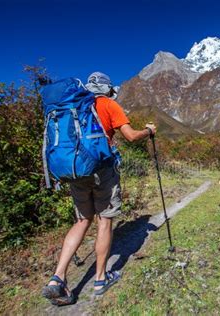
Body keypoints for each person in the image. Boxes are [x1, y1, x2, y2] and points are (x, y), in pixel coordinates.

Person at [42, 72, 156, 306]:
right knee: (104, 220)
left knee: (82, 221)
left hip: (76, 171)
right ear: (107, 89)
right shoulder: (108, 104)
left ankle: (58, 278)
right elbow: (131, 137)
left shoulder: (74, 103)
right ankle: (101, 279)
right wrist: (149, 131)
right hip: (102, 170)